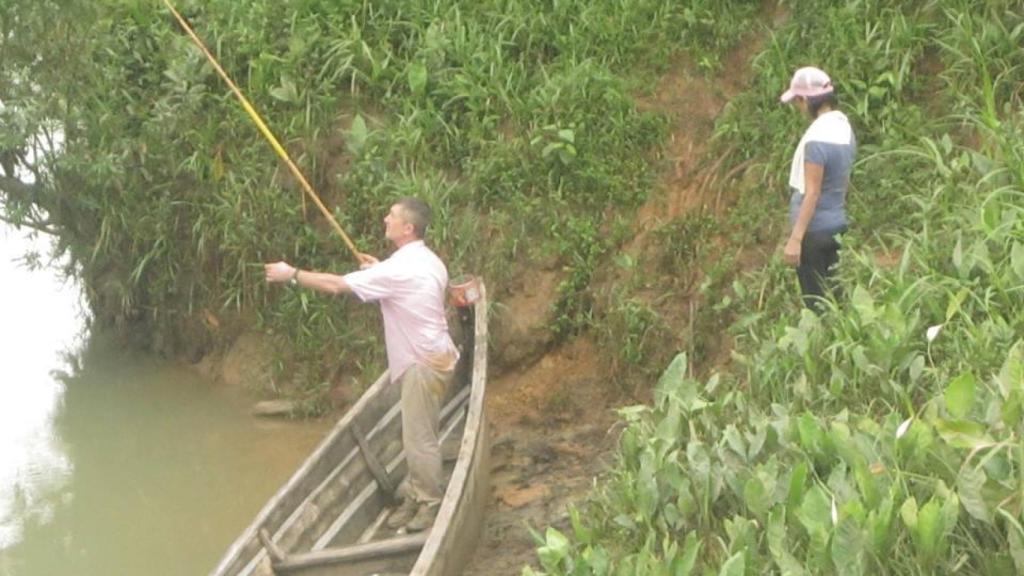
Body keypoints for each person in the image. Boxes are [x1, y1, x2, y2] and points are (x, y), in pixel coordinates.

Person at [264, 197, 457, 533]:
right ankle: (417, 493)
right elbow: (403, 284)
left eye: (392, 216)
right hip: (435, 356)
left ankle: (429, 502)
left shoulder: (397, 269)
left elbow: (335, 285)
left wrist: (291, 274)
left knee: (419, 437)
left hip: (423, 362)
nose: (385, 218)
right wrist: (379, 270)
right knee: (417, 431)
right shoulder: (425, 260)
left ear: (407, 228)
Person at [780, 66, 857, 313]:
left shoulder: (817, 139)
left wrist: (795, 239)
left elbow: (812, 193)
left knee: (816, 303)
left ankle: (823, 347)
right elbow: (843, 181)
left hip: (813, 235)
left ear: (806, 100)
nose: (799, 109)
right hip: (836, 227)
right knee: (837, 296)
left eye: (798, 102)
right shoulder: (844, 129)